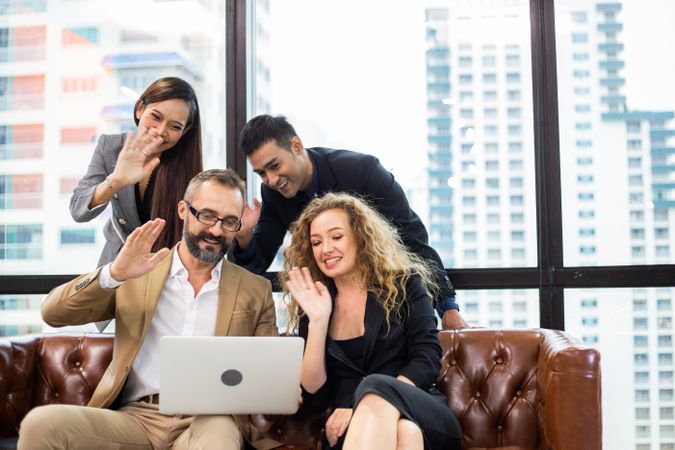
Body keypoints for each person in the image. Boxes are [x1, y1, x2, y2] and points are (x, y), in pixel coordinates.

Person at [18, 169, 280, 450]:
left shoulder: (255, 290)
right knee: (41, 424)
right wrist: (115, 273)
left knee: (219, 432)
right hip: (136, 418)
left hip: (209, 419)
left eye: (229, 222)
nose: (216, 230)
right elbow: (53, 313)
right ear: (183, 209)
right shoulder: (137, 272)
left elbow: (270, 370)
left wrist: (280, 386)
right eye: (206, 215)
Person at [230, 114, 467, 330]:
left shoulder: (362, 171)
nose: (271, 179)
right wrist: (243, 237)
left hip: (387, 304)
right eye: (261, 173)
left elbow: (412, 239)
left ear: (296, 146)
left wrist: (447, 307)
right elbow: (256, 263)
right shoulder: (273, 192)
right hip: (329, 310)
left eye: (275, 166)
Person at [280, 193, 462, 450]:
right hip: (351, 426)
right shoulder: (314, 301)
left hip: (421, 408)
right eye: (316, 242)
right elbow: (314, 395)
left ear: (360, 237)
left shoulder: (405, 284)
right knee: (406, 433)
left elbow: (426, 358)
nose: (326, 249)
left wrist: (365, 399)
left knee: (376, 386)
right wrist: (318, 321)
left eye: (336, 237)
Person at [70, 76, 203, 268]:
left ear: (185, 130)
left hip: (168, 269)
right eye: (156, 117)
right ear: (140, 108)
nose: (161, 131)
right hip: (117, 265)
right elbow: (78, 211)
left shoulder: (188, 168)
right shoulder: (110, 147)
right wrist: (116, 180)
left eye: (175, 126)